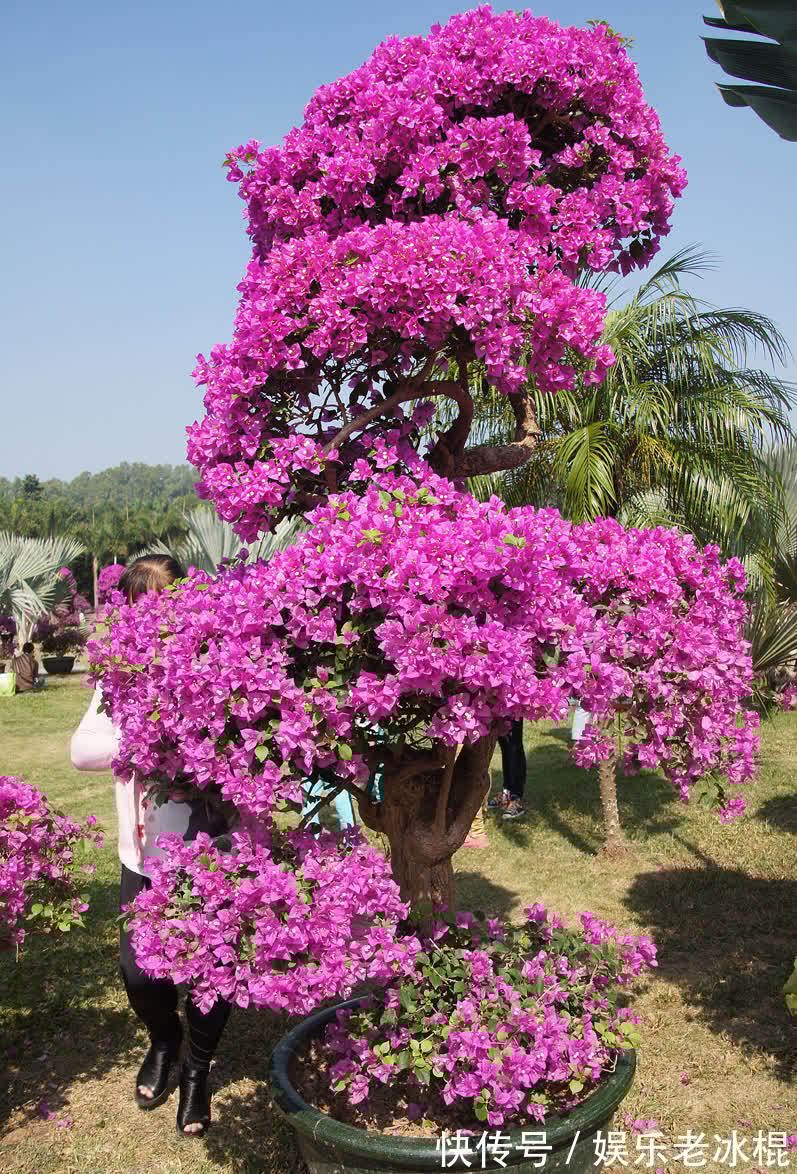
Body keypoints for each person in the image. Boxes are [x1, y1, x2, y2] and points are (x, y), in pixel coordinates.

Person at [70, 555, 230, 1138]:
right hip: (139, 856)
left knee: (212, 971)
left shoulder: (217, 659)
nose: (149, 612)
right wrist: (149, 732)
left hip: (210, 853)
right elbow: (82, 752)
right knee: (140, 975)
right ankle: (165, 1038)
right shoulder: (117, 678)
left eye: (160, 598)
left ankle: (196, 1070)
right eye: (139, 601)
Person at [488, 719, 526, 819]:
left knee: (514, 745)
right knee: (504, 744)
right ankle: (506, 793)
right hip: (498, 704)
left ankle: (515, 798)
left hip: (514, 706)